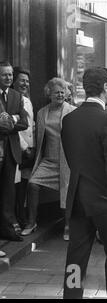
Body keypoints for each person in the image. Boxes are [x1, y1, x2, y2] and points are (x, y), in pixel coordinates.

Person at [61, 67, 107, 299]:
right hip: (105, 200)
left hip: (78, 196)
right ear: (105, 88)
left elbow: (72, 158)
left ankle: (72, 295)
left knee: (76, 256)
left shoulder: (69, 119)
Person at [21, 78, 75, 237]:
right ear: (49, 94)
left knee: (67, 191)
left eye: (62, 92)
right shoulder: (41, 112)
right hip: (48, 160)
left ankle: (68, 226)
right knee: (33, 184)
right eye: (56, 92)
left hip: (67, 160)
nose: (60, 94)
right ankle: (31, 222)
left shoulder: (72, 110)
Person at [0, 61, 28, 242]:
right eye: (4, 75)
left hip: (11, 151)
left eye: (10, 74)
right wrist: (12, 121)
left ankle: (7, 230)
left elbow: (24, 123)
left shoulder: (17, 96)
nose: (8, 78)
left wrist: (8, 123)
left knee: (8, 192)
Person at [12, 67, 35, 229]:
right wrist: (24, 147)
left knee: (24, 186)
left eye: (27, 81)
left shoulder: (27, 100)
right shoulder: (11, 100)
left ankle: (22, 215)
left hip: (29, 151)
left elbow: (30, 125)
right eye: (22, 80)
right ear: (14, 81)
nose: (25, 83)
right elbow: (14, 128)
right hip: (17, 150)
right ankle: (15, 218)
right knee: (14, 186)